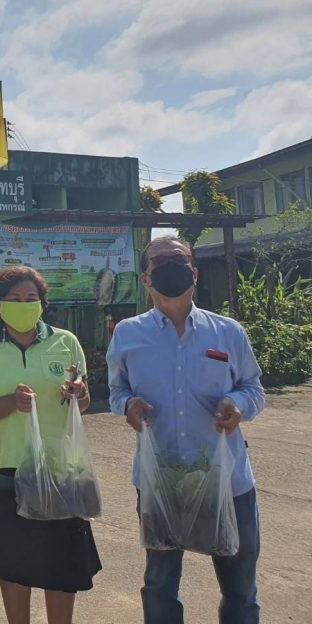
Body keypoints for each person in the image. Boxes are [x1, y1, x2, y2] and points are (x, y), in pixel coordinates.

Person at [107, 236, 264, 624]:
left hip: (228, 482)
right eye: (158, 263)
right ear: (146, 278)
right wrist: (127, 405)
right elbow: (116, 391)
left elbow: (253, 389)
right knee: (160, 584)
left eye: (178, 260)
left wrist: (237, 404)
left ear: (193, 271)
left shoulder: (227, 332)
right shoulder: (127, 334)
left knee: (240, 589)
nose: (169, 267)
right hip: (161, 481)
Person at [0, 266, 100, 624]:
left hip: (61, 466)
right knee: (15, 561)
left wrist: (79, 394)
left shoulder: (66, 341)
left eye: (32, 299)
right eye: (15, 300)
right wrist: (11, 402)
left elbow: (82, 404)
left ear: (42, 303)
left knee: (62, 561)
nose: (25, 305)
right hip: (8, 467)